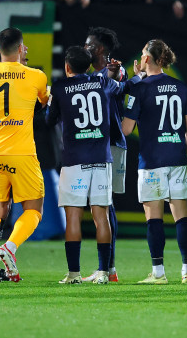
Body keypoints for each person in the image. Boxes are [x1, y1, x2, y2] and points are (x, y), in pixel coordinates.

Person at [0, 27, 50, 283]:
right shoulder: (36, 76)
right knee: (34, 209)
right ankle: (10, 247)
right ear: (21, 48)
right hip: (23, 153)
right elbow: (45, 102)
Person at [46, 46, 128, 284]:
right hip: (101, 159)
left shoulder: (60, 87)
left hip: (74, 161)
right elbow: (123, 87)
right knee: (101, 216)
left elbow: (50, 120)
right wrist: (126, 74)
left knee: (73, 217)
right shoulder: (102, 82)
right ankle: (103, 272)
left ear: (67, 66)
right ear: (90, 66)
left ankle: (74, 274)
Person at [122, 39, 187, 284]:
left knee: (154, 218)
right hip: (177, 158)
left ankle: (158, 273)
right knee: (182, 217)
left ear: (146, 58)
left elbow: (126, 129)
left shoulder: (140, 88)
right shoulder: (180, 87)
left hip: (152, 161)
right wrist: (184, 151)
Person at [82, 27, 136, 283]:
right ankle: (108, 268)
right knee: (104, 204)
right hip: (98, 145)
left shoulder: (113, 70)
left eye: (89, 45)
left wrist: (114, 72)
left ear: (100, 49)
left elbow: (120, 80)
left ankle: (108, 268)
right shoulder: (92, 75)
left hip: (111, 144)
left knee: (104, 205)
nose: (85, 49)